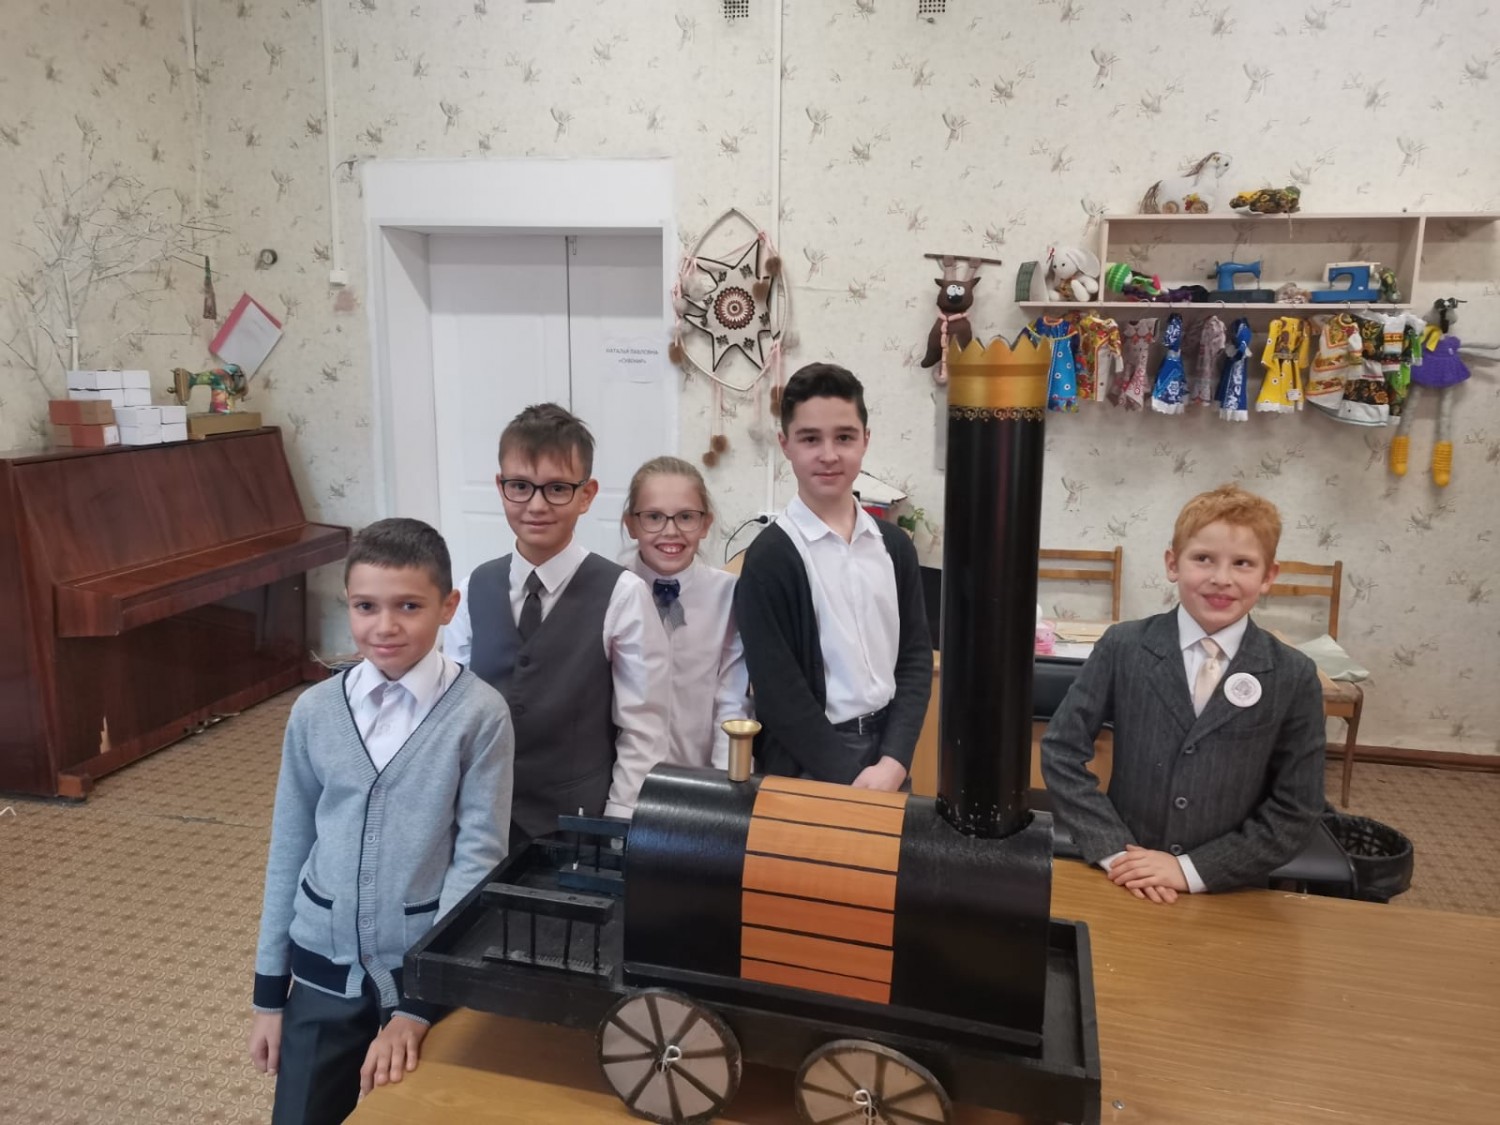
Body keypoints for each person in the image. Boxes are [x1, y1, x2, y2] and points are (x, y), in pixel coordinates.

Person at [250, 518, 514, 1125]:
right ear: (347, 603)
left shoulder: (480, 715)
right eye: (366, 606)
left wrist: (419, 1003)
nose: (385, 626)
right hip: (320, 973)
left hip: (420, 974)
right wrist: (269, 994)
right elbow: (290, 844)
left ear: (448, 607)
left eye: (409, 606)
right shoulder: (314, 710)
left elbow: (478, 858)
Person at [1041, 483, 1326, 901]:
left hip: (1231, 888)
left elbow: (1297, 808)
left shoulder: (1293, 675)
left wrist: (1192, 870)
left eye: (1243, 563)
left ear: (1268, 576)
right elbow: (1061, 750)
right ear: (1173, 563)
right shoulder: (1124, 647)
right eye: (1203, 558)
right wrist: (1114, 851)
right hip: (1125, 874)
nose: (1221, 579)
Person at [444, 403, 668, 847]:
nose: (537, 505)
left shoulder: (623, 596)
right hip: (482, 820)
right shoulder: (472, 589)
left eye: (558, 488)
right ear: (501, 487)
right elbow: (453, 711)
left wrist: (618, 828)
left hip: (579, 827)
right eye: (520, 486)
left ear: (586, 494)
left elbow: (643, 730)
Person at [733, 363, 932, 788]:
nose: (828, 455)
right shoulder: (770, 558)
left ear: (865, 440)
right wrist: (851, 780)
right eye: (810, 439)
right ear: (785, 444)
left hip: (888, 757)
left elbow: (915, 657)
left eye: (844, 437)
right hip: (810, 762)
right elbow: (778, 692)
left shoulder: (894, 547)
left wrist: (895, 760)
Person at [622, 455, 750, 769]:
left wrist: (725, 781)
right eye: (654, 517)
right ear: (631, 524)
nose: (670, 531)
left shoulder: (728, 595)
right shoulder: (611, 590)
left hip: (702, 773)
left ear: (705, 524)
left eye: (686, 517)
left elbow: (731, 699)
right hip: (624, 778)